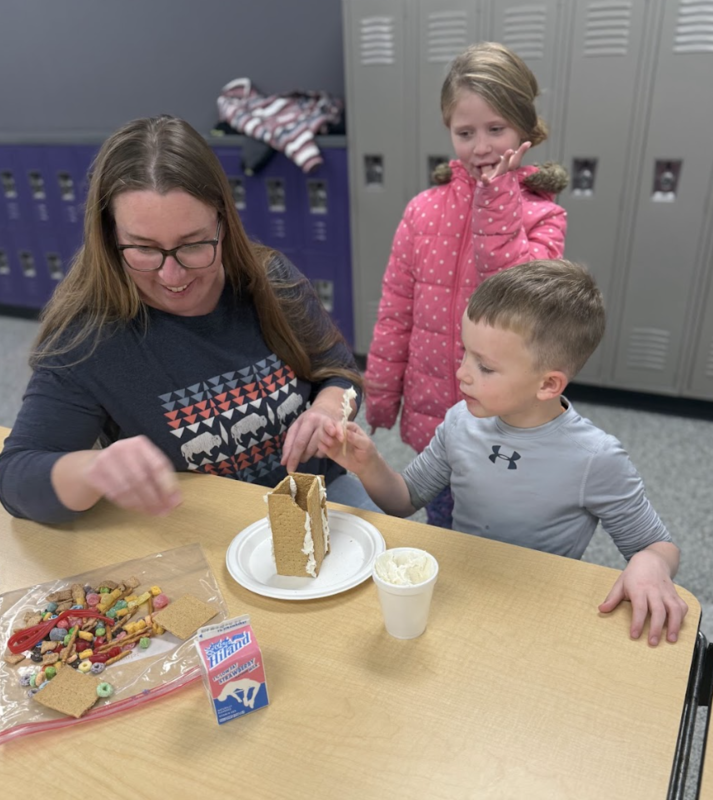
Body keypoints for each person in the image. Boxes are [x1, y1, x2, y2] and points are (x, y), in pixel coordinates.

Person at [0, 115, 378, 524]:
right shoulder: (87, 341)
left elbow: (339, 370)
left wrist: (326, 408)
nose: (172, 276)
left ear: (223, 223)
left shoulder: (270, 281)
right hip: (204, 529)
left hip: (319, 498)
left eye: (194, 244)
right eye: (144, 248)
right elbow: (15, 480)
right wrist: (93, 470)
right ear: (110, 239)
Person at [321, 260, 688, 646]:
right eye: (465, 353)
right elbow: (402, 500)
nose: (462, 373)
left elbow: (660, 547)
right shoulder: (461, 422)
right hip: (458, 597)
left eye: (485, 366)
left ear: (548, 384)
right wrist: (368, 465)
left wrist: (649, 561)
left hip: (538, 616)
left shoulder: (596, 458)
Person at [365, 42, 569, 530]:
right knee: (444, 525)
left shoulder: (544, 215)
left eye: (496, 129)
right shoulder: (422, 210)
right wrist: (380, 393)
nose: (481, 146)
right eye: (465, 132)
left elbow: (517, 296)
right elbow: (396, 312)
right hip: (435, 412)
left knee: (499, 531)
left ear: (524, 128)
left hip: (507, 418)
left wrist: (497, 202)